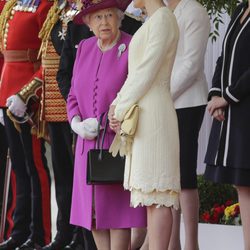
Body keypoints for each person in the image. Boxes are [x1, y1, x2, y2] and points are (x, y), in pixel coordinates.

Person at [67, 0, 147, 249]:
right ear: (89, 24)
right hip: (85, 145)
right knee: (93, 219)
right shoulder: (85, 47)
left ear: (120, 18)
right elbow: (72, 94)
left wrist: (117, 118)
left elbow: (139, 92)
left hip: (116, 145)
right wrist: (76, 122)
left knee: (116, 218)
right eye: (98, 17)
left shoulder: (131, 46)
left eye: (110, 16)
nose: (104, 22)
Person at [108, 0, 180, 249]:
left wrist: (119, 105)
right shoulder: (153, 20)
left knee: (159, 195)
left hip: (155, 113)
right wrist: (118, 104)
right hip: (144, 111)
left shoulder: (163, 19)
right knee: (151, 196)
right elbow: (136, 73)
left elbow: (146, 72)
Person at [0, 0, 53, 249]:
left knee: (35, 166)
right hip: (7, 91)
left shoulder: (44, 5)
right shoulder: (11, 4)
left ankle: (40, 234)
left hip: (28, 95)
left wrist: (29, 92)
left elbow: (49, 55)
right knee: (19, 168)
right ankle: (19, 231)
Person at [163, 1, 210, 250]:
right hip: (163, 103)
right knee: (168, 176)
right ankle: (172, 242)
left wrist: (163, 94)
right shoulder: (160, 11)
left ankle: (191, 243)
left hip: (187, 102)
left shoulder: (193, 11)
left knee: (184, 175)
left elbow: (191, 64)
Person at [204, 1, 250, 249]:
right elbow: (224, 55)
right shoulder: (241, 8)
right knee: (243, 184)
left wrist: (228, 96)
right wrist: (216, 95)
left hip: (245, 107)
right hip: (237, 111)